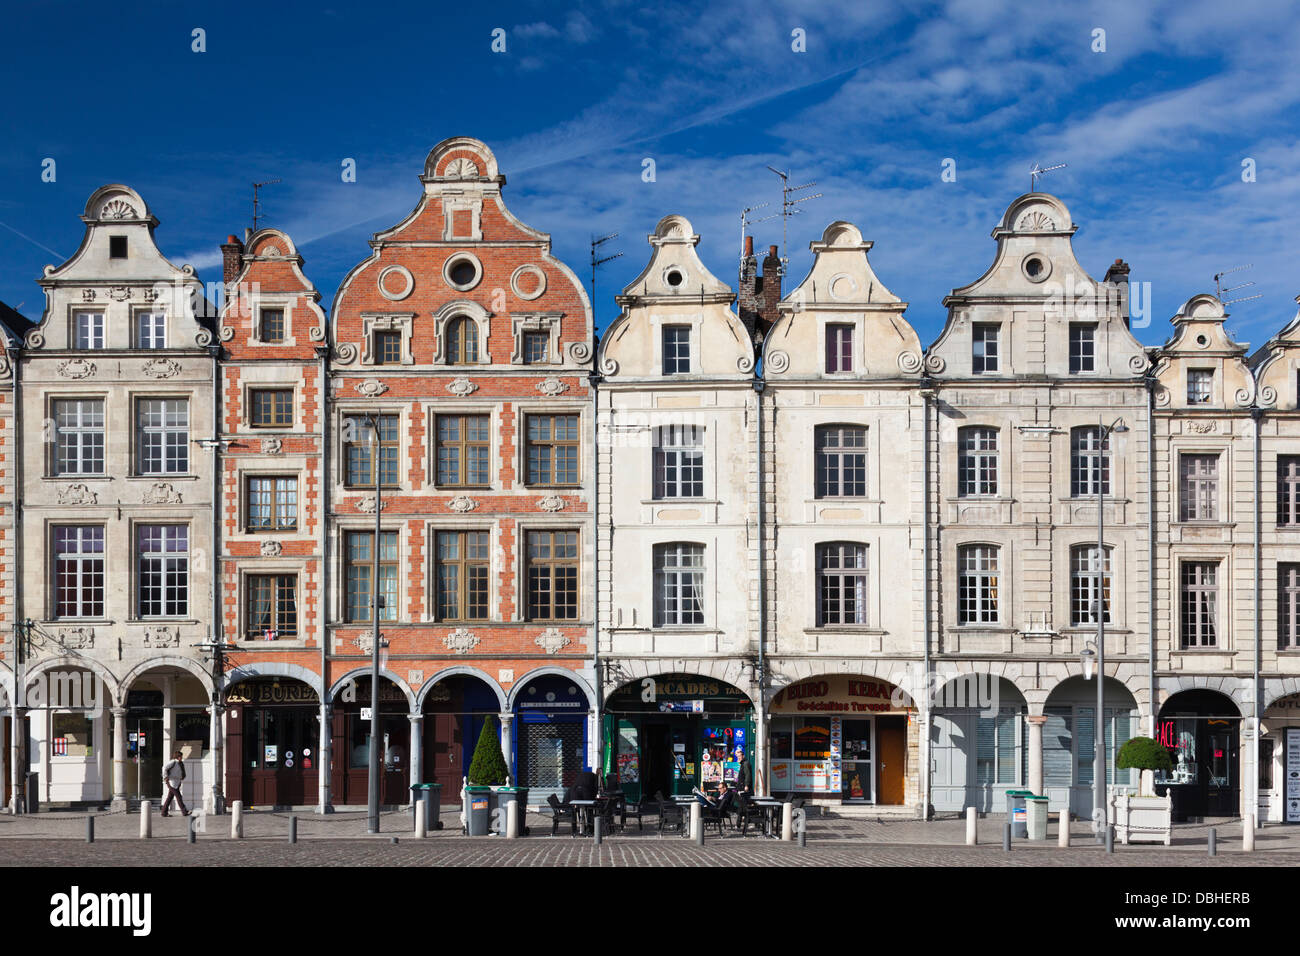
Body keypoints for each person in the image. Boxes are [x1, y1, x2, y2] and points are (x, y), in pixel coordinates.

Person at [161, 750, 189, 817]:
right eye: (180, 756)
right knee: (179, 797)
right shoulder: (173, 762)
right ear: (178, 757)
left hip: (176, 782)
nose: (181, 758)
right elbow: (164, 768)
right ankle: (184, 811)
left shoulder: (180, 763)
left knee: (169, 798)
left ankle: (164, 812)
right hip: (171, 782)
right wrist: (165, 777)